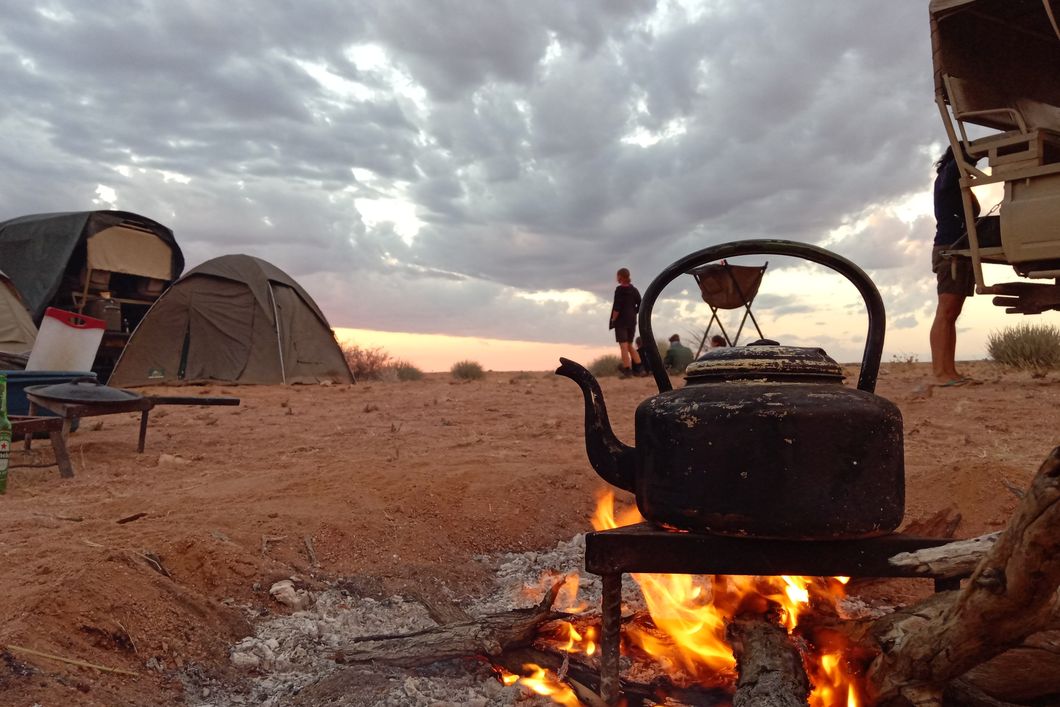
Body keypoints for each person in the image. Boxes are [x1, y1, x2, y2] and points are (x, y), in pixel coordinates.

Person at [930, 146, 996, 387]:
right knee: (945, 312)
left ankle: (950, 372)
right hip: (950, 249)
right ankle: (940, 373)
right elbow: (961, 161)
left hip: (960, 249)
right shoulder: (948, 174)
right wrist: (980, 149)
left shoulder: (958, 182)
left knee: (951, 314)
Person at [610, 268, 647, 377]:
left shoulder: (619, 290)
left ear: (620, 276)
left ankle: (627, 371)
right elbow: (641, 304)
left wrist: (613, 319)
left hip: (621, 322)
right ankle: (641, 369)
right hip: (632, 321)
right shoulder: (634, 290)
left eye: (617, 276)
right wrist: (633, 312)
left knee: (624, 347)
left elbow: (617, 308)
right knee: (630, 345)